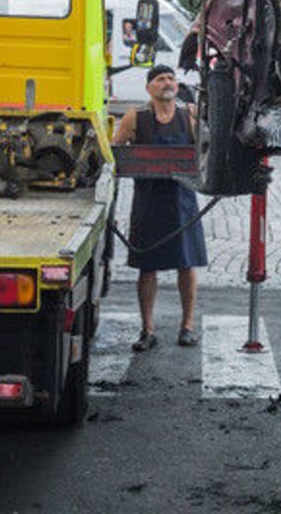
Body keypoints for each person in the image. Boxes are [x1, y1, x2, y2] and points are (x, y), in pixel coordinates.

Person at [110, 64, 208, 351]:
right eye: (160, 79)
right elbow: (115, 156)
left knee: (186, 264)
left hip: (182, 200)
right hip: (148, 201)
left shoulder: (189, 116)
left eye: (171, 79)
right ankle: (147, 330)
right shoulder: (134, 118)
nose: (168, 83)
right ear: (149, 88)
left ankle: (187, 327)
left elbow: (206, 151)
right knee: (147, 267)